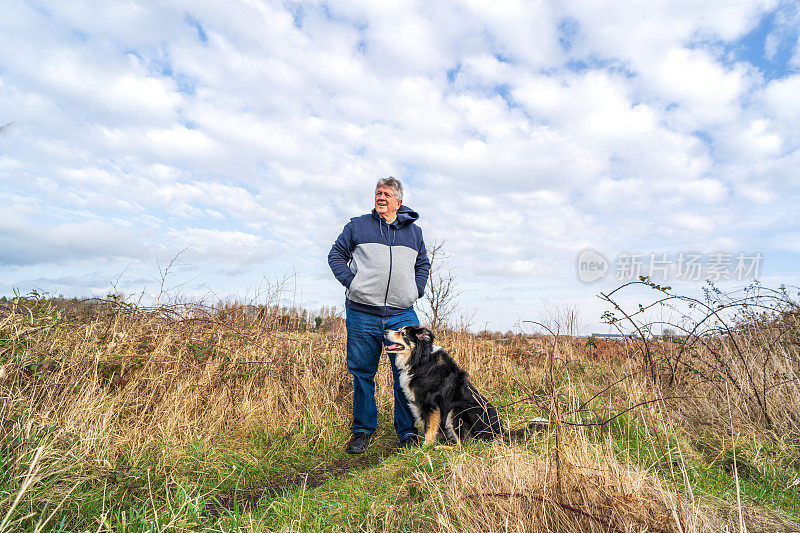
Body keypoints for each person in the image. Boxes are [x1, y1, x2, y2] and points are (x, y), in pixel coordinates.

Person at [328, 177, 430, 453]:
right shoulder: (358, 226)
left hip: (402, 314)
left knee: (405, 373)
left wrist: (416, 290)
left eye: (386, 194)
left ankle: (407, 432)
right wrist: (353, 283)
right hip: (362, 313)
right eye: (377, 193)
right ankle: (362, 431)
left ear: (398, 201)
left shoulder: (414, 233)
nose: (380, 197)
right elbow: (335, 254)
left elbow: (422, 264)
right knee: (362, 373)